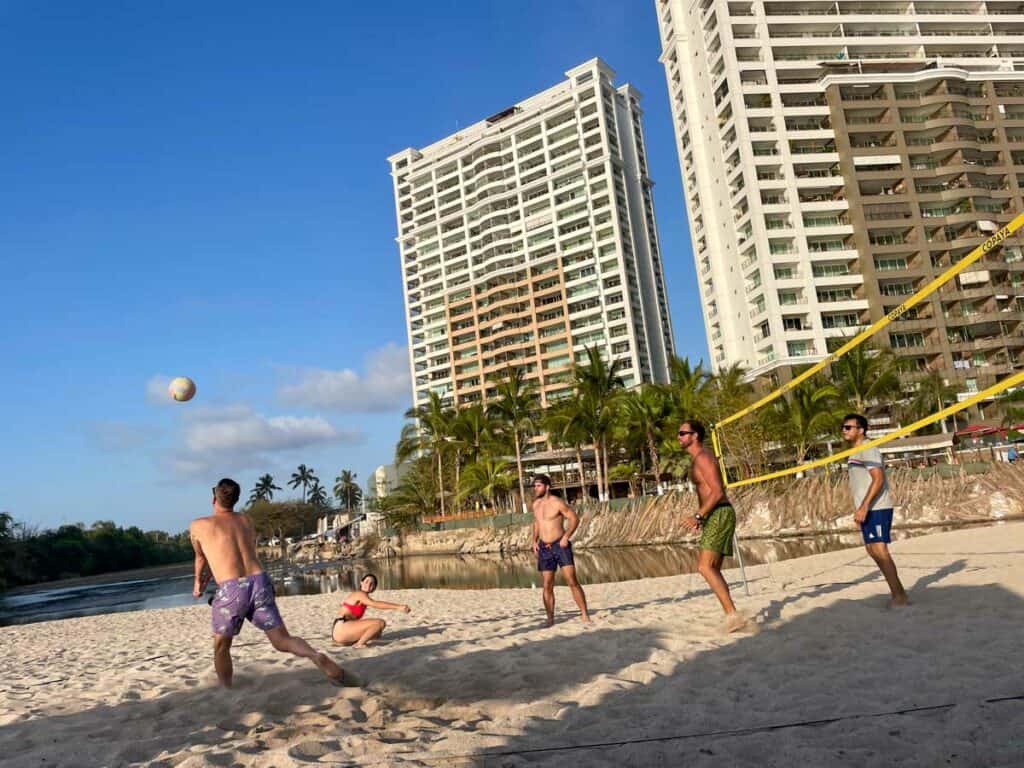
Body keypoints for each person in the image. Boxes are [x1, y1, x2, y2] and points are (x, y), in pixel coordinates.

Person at [190, 478, 346, 687]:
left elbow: (201, 557)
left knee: (221, 646)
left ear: (213, 498)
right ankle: (314, 655)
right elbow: (238, 550)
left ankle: (226, 689)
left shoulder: (199, 525)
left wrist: (198, 584)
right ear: (236, 499)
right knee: (282, 640)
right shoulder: (245, 520)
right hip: (259, 581)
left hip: (232, 589)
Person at [677, 420, 746, 633]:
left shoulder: (704, 458)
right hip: (714, 515)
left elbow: (717, 491)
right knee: (711, 568)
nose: (678, 436)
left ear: (695, 435)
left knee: (704, 567)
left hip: (719, 512)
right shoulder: (697, 459)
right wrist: (704, 518)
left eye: (682, 433)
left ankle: (733, 615)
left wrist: (699, 515)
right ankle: (731, 614)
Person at [841, 414, 909, 607]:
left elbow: (878, 479)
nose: (844, 430)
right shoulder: (854, 452)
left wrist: (864, 506)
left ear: (861, 430)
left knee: (880, 549)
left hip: (877, 506)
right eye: (843, 427)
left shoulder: (867, 447)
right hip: (867, 507)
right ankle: (897, 593)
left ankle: (900, 596)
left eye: (848, 427)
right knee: (872, 550)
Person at [531, 474, 591, 626]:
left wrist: (566, 536)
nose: (535, 488)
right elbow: (537, 523)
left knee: (572, 581)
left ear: (547, 487)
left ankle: (584, 613)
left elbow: (574, 518)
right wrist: (534, 540)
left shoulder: (557, 503)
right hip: (544, 547)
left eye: (538, 485)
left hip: (560, 545)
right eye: (534, 486)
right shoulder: (535, 505)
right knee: (547, 584)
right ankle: (550, 618)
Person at [331, 573, 411, 647]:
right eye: (366, 581)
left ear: (374, 588)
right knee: (380, 623)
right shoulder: (359, 594)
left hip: (341, 633)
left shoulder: (363, 597)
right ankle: (359, 644)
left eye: (372, 583)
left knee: (377, 633)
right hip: (342, 629)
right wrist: (398, 607)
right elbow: (374, 603)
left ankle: (357, 642)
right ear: (361, 583)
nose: (368, 584)